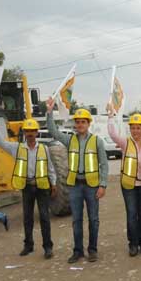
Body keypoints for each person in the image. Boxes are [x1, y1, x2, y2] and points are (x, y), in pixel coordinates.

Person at [46, 97, 109, 263]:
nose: (80, 124)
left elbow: (104, 165)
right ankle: (78, 251)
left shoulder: (97, 142)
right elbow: (53, 131)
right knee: (76, 220)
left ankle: (92, 250)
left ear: (88, 124)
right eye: (78, 122)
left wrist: (102, 185)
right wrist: (49, 111)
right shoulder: (69, 140)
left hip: (92, 186)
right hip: (75, 186)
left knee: (93, 219)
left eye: (83, 122)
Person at [0, 117, 57, 258]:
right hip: (26, 187)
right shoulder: (17, 148)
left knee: (44, 217)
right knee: (28, 218)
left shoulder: (44, 149)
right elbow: (1, 143)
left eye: (32, 131)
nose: (30, 133)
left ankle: (48, 247)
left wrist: (54, 183)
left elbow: (50, 167)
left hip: (42, 186)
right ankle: (28, 245)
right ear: (24, 133)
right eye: (27, 131)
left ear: (37, 132)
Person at [107, 108, 141, 257]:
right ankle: (133, 244)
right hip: (129, 185)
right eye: (132, 128)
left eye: (138, 128)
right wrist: (110, 116)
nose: (135, 131)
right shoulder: (125, 143)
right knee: (131, 215)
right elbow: (112, 134)